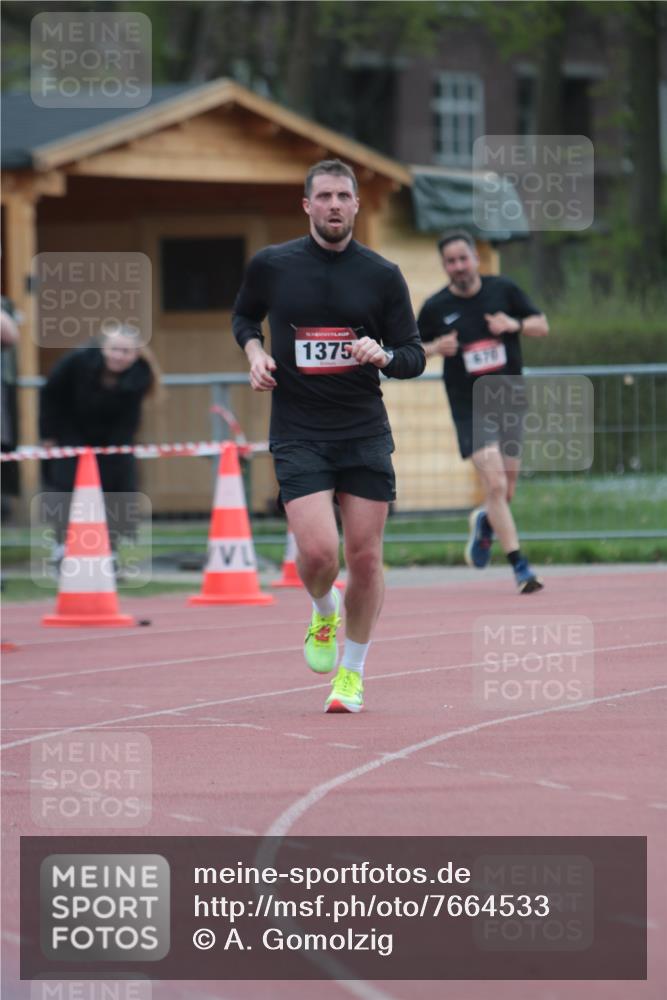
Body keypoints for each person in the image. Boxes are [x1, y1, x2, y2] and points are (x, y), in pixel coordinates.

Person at [233, 158, 425, 713]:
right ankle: (323, 610)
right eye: (324, 196)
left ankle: (352, 673)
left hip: (363, 431)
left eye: (344, 196)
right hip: (299, 431)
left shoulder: (382, 275)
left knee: (365, 558)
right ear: (307, 205)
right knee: (319, 554)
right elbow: (244, 318)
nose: (334, 205)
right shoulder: (273, 265)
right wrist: (255, 353)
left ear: (357, 204)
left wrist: (384, 355)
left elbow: (413, 354)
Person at [417, 230, 549, 594]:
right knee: (495, 483)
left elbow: (542, 325)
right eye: (451, 261)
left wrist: (514, 324)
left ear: (476, 259)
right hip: (469, 405)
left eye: (463, 258)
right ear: (444, 266)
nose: (458, 266)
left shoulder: (503, 290)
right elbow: (409, 349)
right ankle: (521, 567)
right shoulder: (435, 307)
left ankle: (486, 523)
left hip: (509, 399)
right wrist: (434, 348)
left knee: (506, 488)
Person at [39, 323, 162, 569]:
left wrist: (119, 449)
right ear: (103, 348)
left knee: (118, 486)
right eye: (114, 349)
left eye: (126, 352)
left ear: (136, 355)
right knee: (66, 487)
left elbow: (130, 420)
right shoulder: (76, 362)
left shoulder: (140, 376)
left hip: (113, 438)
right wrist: (48, 434)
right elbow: (50, 395)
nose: (119, 356)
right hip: (70, 430)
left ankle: (110, 548)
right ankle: (62, 546)